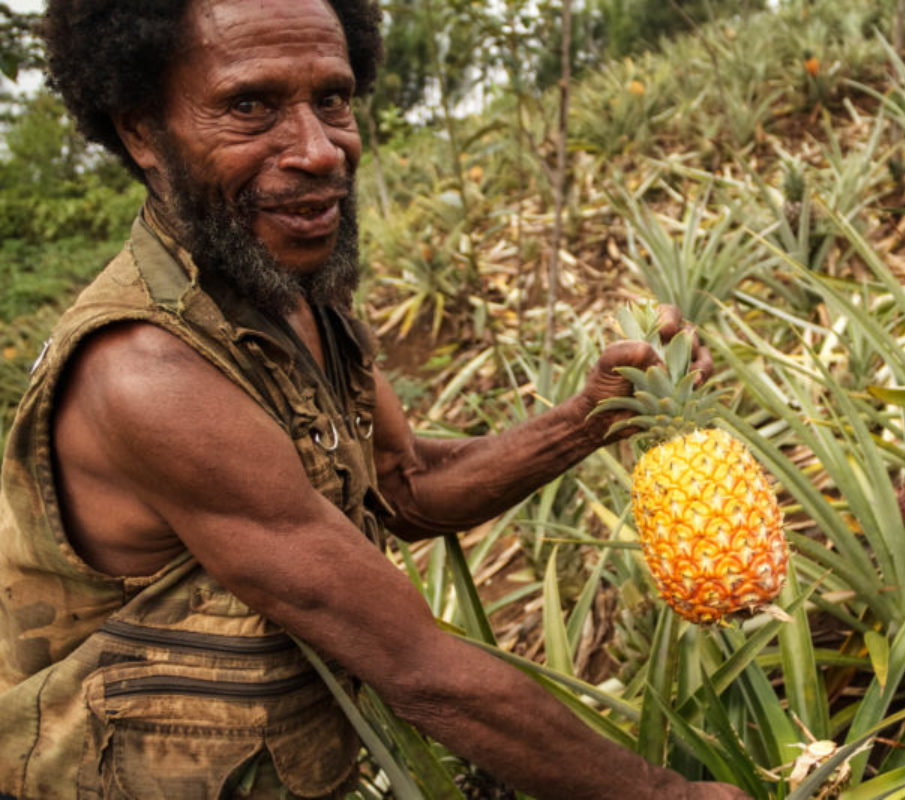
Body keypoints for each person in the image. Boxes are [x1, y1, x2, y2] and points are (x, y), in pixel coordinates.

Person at [0, 0, 751, 798]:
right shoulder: (145, 372)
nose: (322, 151)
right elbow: (418, 668)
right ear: (142, 133)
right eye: (250, 105)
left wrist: (590, 417)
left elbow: (407, 485)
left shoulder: (283, 294)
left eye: (332, 98)